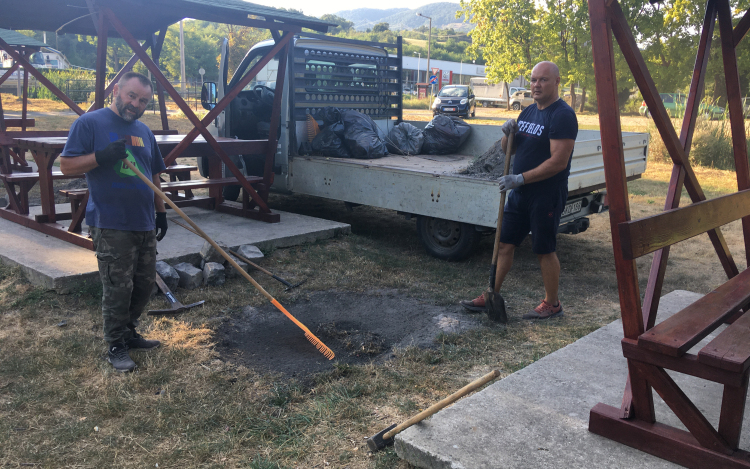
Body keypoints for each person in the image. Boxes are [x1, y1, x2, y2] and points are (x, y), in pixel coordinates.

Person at [60, 72, 169, 372]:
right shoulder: (90, 123)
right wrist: (101, 156)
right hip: (111, 221)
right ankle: (115, 344)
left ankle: (129, 331)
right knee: (118, 287)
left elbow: (153, 174)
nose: (135, 104)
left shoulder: (145, 131)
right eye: (131, 96)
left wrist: (160, 212)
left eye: (143, 100)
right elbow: (66, 165)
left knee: (144, 285)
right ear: (117, 91)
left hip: (144, 219)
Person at [460, 61, 578, 320]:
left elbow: (558, 162)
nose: (536, 85)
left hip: (545, 194)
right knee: (504, 244)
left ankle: (552, 303)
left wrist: (520, 179)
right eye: (533, 80)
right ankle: (490, 294)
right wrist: (507, 134)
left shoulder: (562, 115)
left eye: (543, 80)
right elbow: (508, 150)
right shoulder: (527, 113)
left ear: (557, 82)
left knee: (544, 248)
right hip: (520, 193)